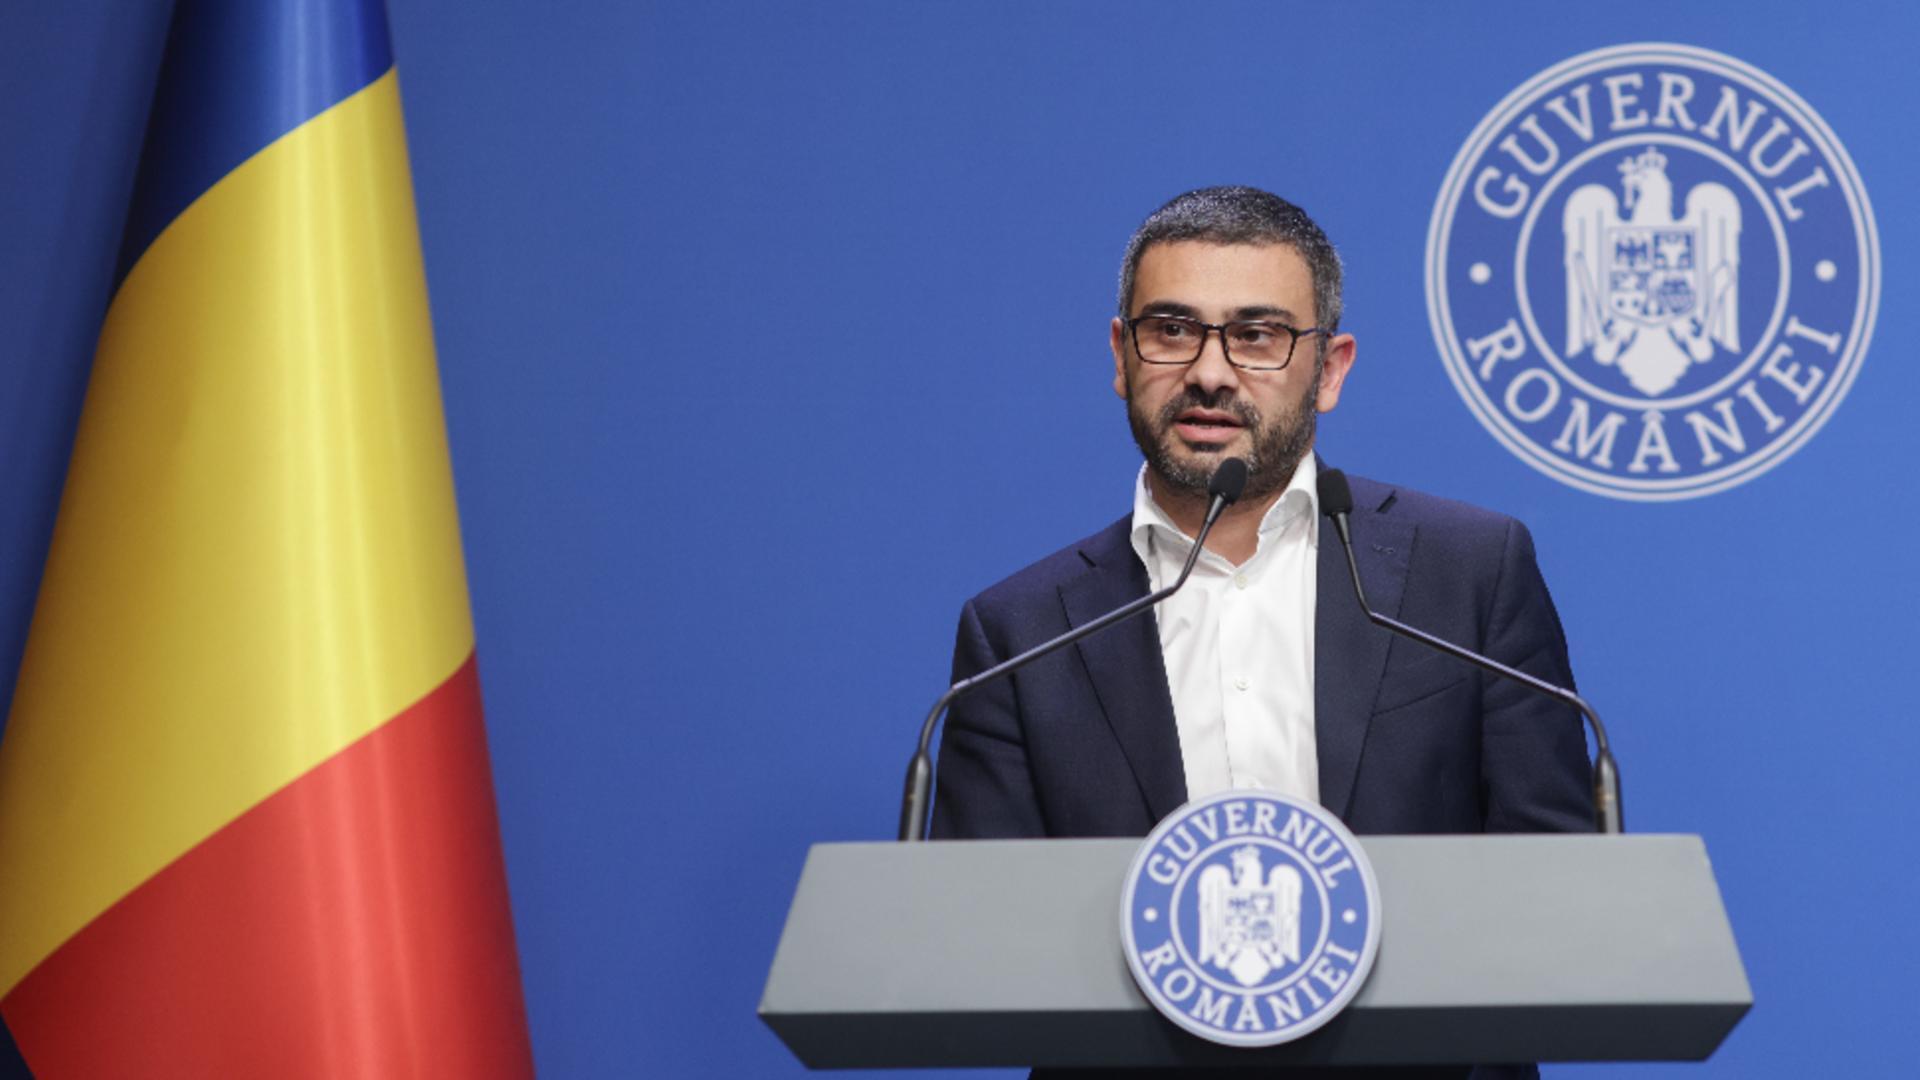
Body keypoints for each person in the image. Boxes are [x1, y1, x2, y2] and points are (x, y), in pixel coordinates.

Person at [928, 185, 1590, 1080]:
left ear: (1330, 369)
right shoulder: (1021, 632)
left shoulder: (1468, 573)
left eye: (1257, 335)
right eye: (1172, 330)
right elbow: (984, 943)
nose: (1210, 371)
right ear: (1121, 356)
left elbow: (1553, 880)